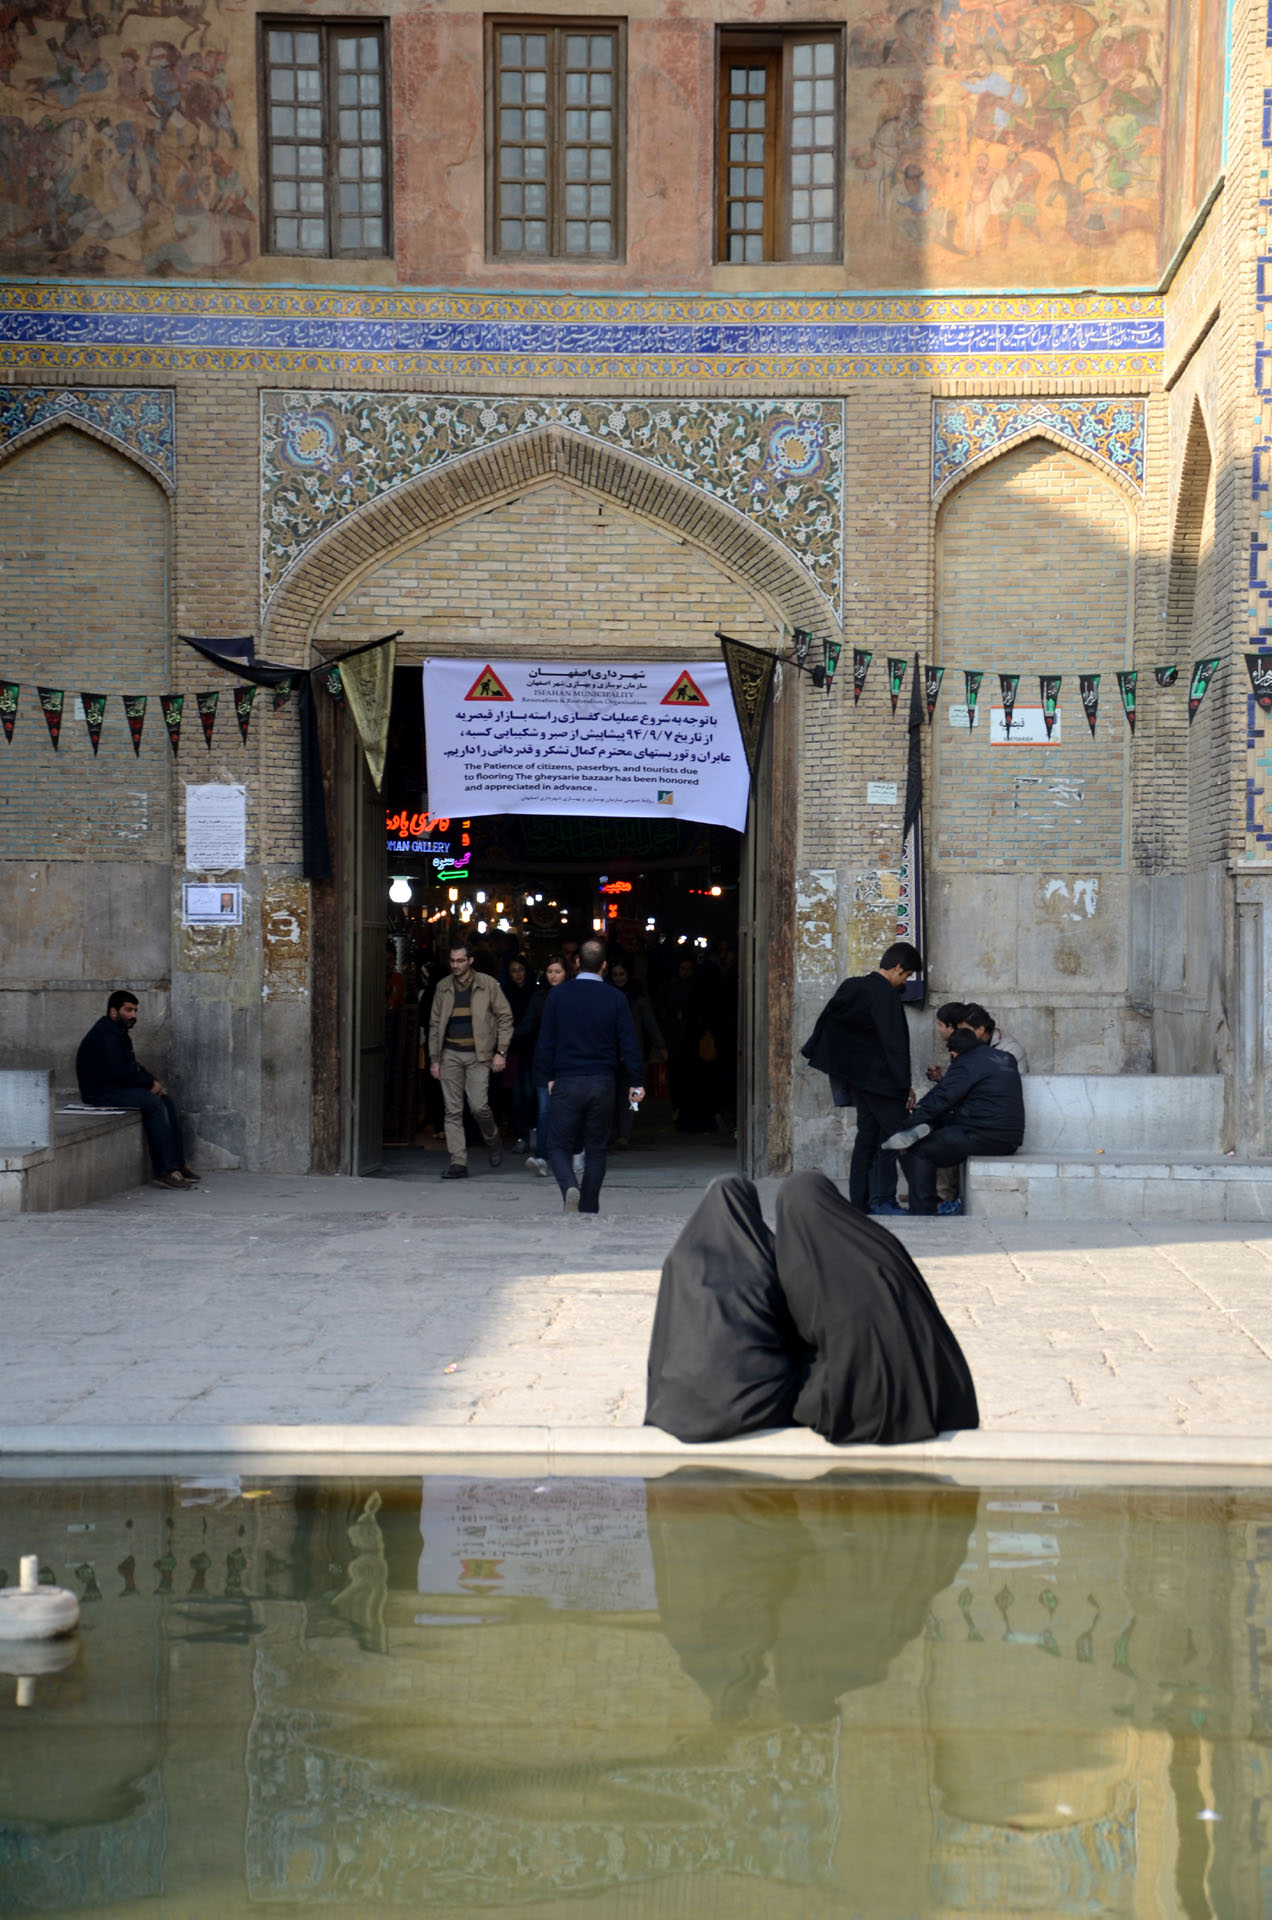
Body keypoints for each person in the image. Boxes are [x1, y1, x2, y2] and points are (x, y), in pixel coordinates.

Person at [644, 1169, 978, 1445]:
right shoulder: (880, 1244)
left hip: (683, 1412)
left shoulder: (681, 1260)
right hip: (935, 1396)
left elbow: (661, 1345)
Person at [800, 942, 923, 1216]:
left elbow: (829, 1025)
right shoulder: (885, 996)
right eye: (906, 976)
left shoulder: (852, 986)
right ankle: (924, 1202)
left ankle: (860, 1203)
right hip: (882, 1082)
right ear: (898, 968)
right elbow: (895, 1044)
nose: (904, 982)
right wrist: (904, 1087)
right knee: (905, 1138)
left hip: (860, 1081)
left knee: (867, 1140)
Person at [536, 937, 643, 1213]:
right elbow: (629, 1043)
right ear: (604, 966)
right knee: (596, 1148)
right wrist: (637, 1081)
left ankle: (569, 1186)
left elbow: (545, 1041)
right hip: (602, 1082)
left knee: (558, 1145)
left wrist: (547, 1075)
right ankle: (588, 1205)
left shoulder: (558, 995)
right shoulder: (616, 998)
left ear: (576, 963)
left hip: (567, 1080)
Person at [883, 1026, 1025, 1215]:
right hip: (1011, 1138)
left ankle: (923, 1211)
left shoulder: (966, 1062)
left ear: (954, 1052)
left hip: (984, 1135)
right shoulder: (1005, 1058)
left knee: (916, 1150)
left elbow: (941, 1098)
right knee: (939, 1126)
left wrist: (908, 1125)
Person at [75, 989, 197, 1190]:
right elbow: (119, 1071)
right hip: (100, 1093)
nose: (133, 1015)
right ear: (113, 1011)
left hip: (115, 1088)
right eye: (128, 1010)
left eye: (135, 1010)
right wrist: (149, 1085)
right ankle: (165, 1170)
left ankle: (178, 1163)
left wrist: (153, 1082)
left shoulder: (119, 1033)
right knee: (153, 1104)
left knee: (164, 1100)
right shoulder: (105, 1034)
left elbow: (133, 1066)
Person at [426, 938, 514, 1181]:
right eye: (452, 961)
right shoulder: (443, 986)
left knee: (479, 1106)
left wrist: (501, 1051)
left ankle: (493, 1138)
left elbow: (505, 1017)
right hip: (450, 1053)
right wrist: (435, 1058)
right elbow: (434, 1024)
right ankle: (458, 1162)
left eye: (460, 960)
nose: (455, 965)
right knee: (452, 1111)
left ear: (470, 960)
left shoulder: (487, 984)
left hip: (479, 1054)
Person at [514, 952, 568, 1175]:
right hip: (543, 1059)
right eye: (550, 972)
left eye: (558, 971)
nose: (553, 976)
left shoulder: (571, 995)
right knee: (545, 1110)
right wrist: (505, 1043)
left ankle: (571, 1153)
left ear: (566, 973)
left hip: (566, 1061)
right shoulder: (539, 997)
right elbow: (527, 1024)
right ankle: (543, 1157)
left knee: (567, 1110)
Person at [608, 961, 666, 1147]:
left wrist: (660, 1045)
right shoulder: (607, 993)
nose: (618, 978)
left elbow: (650, 1022)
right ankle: (610, 1132)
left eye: (621, 974)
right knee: (609, 1094)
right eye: (615, 974)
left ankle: (624, 1133)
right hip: (610, 1051)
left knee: (629, 1091)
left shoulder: (638, 995)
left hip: (632, 1050)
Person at [961, 1002, 1029, 1072]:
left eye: (965, 1031)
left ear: (981, 1029)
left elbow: (1013, 1080)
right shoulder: (966, 1046)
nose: (961, 1035)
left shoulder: (1011, 1049)